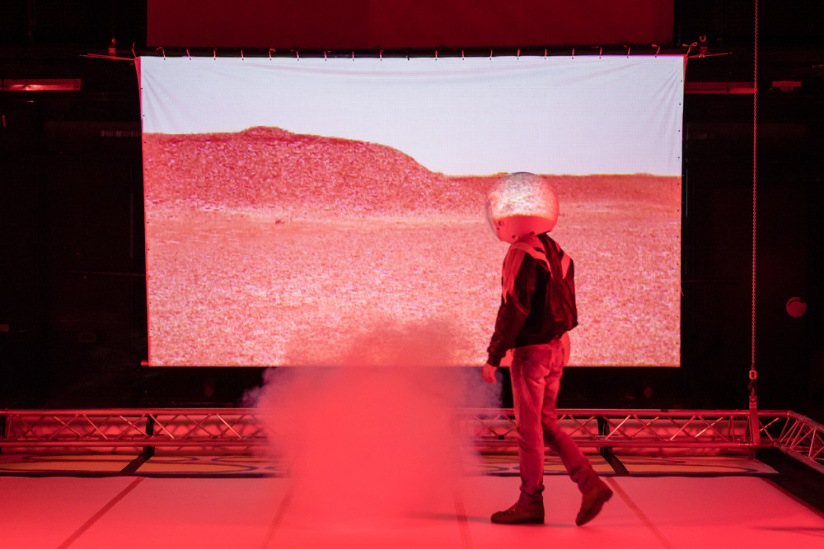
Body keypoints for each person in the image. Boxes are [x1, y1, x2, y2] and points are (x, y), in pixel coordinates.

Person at [482, 172, 612, 527]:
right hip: (557, 349)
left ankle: (530, 503)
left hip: (532, 354)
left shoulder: (520, 252)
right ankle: (590, 484)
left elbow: (515, 308)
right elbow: (565, 309)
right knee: (546, 424)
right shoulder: (559, 252)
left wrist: (494, 356)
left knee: (529, 432)